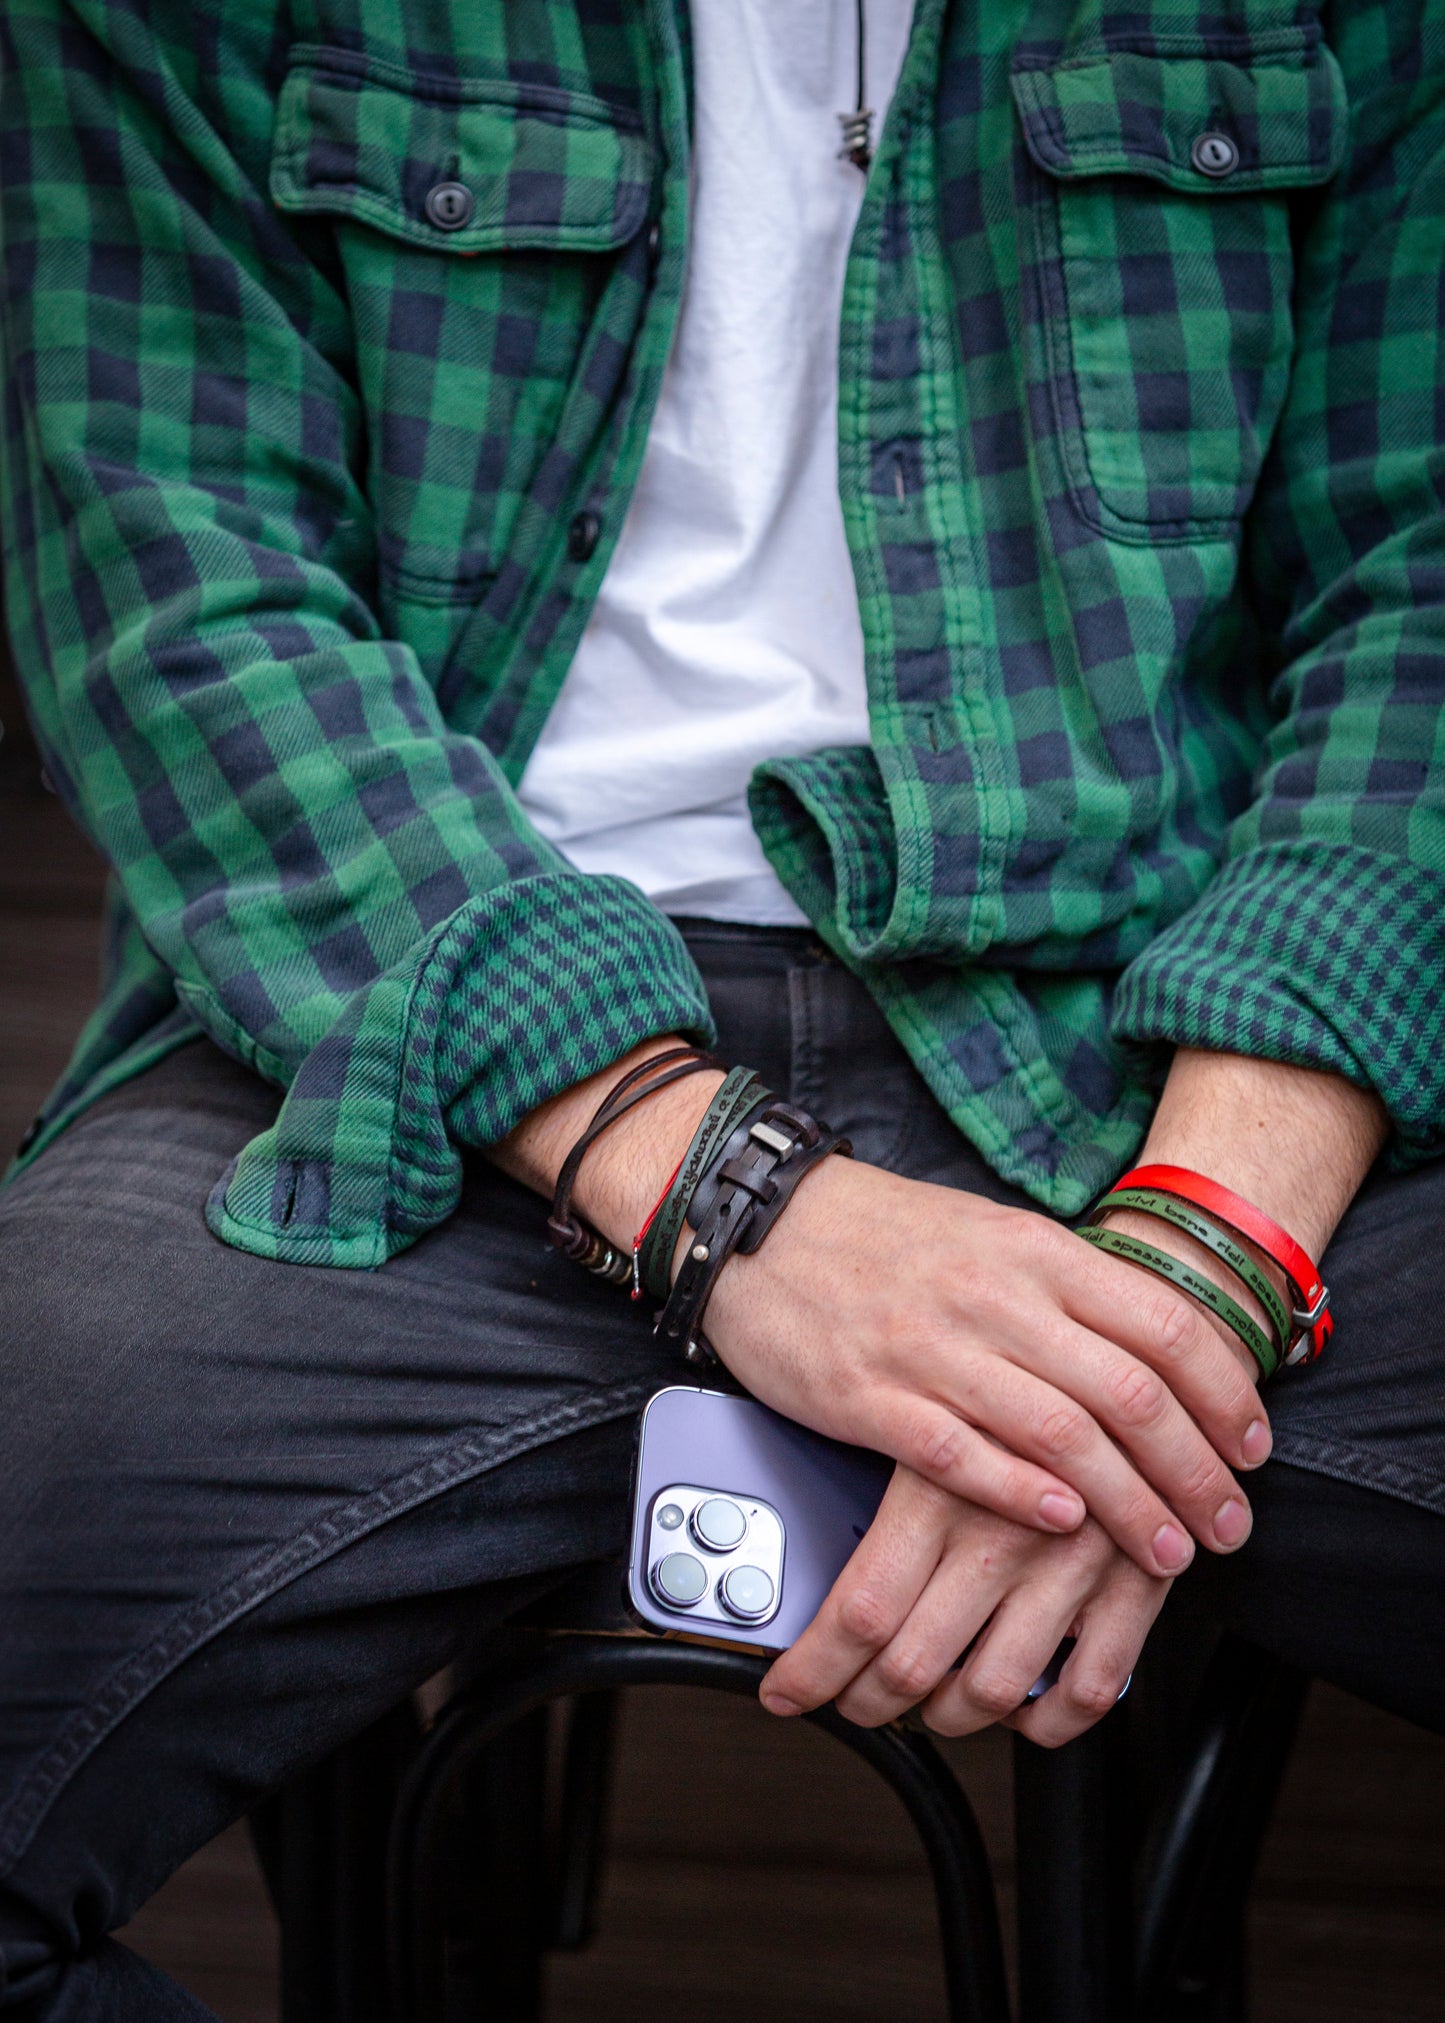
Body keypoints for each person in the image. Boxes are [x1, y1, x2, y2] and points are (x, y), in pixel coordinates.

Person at [2, 0, 1443, 2012]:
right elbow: (173, 583)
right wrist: (731, 1197)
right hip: (405, 1020)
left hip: (1175, 1039)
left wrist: (1203, 1253)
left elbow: (1420, 594)